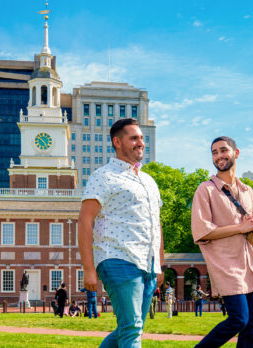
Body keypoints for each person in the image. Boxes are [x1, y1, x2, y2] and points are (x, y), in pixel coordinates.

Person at [79, 118, 164, 347]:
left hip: (148, 263)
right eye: (134, 138)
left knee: (131, 326)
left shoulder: (149, 181)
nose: (140, 143)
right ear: (117, 142)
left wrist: (160, 265)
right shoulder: (103, 176)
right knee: (132, 328)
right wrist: (89, 268)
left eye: (142, 138)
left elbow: (156, 224)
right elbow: (85, 220)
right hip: (117, 257)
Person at [191, 136, 253, 348]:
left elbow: (251, 240)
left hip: (248, 266)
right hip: (225, 265)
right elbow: (201, 232)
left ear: (236, 153)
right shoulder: (205, 190)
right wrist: (240, 227)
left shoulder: (248, 192)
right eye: (214, 152)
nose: (218, 156)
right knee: (238, 319)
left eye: (223, 150)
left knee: (252, 325)